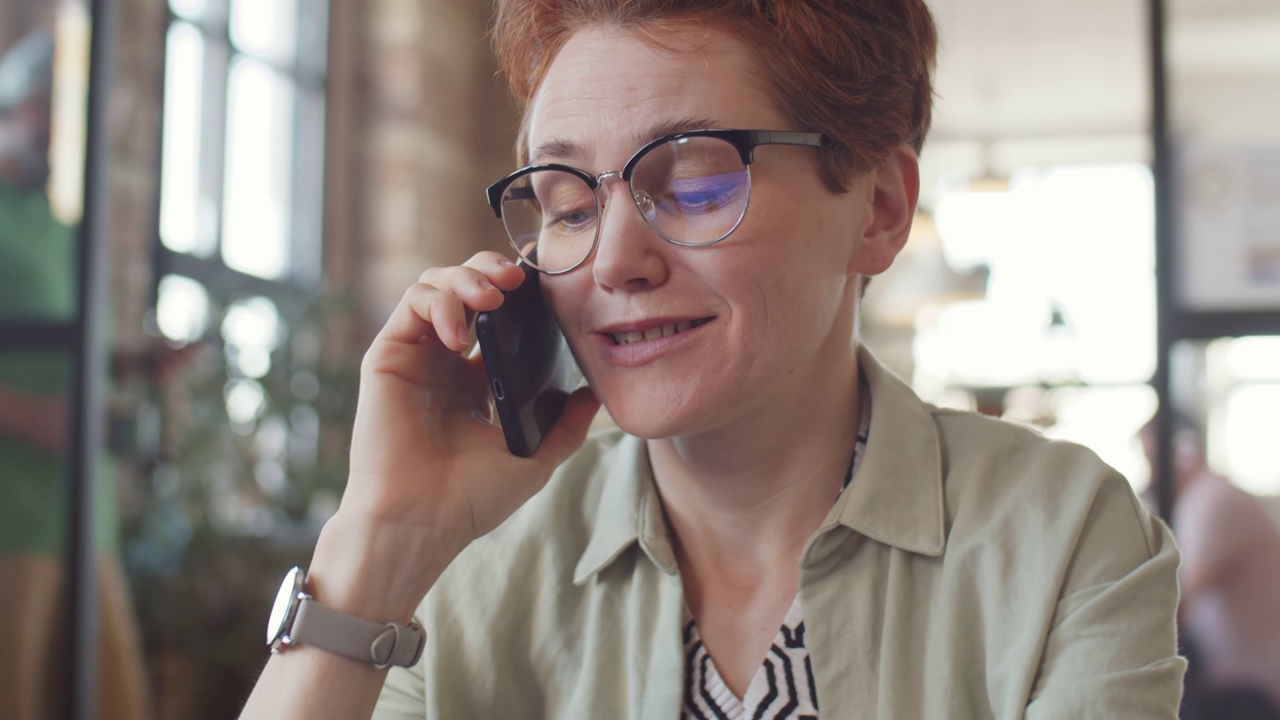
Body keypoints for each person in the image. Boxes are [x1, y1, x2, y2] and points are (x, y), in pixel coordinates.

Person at [241, 1, 1185, 717]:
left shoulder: (1067, 543)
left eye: (693, 182)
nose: (612, 259)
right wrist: (382, 540)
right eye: (568, 204)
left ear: (879, 209)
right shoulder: (475, 571)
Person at [0, 29, 153, 720]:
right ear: (22, 106)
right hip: (13, 519)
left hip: (85, 517)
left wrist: (132, 361)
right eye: (57, 116)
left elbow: (57, 346)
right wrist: (40, 419)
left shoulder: (62, 228)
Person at [1143, 417, 1280, 719]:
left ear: (1182, 451)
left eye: (1150, 456)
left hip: (1252, 688)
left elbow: (1174, 604)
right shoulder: (1197, 501)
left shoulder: (1216, 502)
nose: (1148, 471)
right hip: (1233, 681)